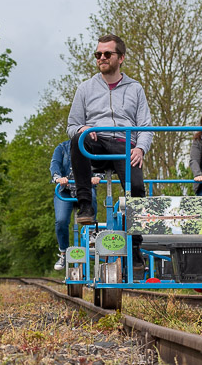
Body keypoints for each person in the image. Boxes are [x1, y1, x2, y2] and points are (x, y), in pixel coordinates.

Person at [65, 34, 153, 224]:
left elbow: (146, 126)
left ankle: (136, 245)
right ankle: (85, 205)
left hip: (125, 144)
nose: (101, 58)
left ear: (120, 58)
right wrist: (83, 128)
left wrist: (140, 148)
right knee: (78, 139)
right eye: (98, 54)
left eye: (107, 54)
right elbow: (72, 126)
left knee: (136, 190)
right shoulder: (85, 88)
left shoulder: (135, 89)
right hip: (97, 141)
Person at [49, 139, 98, 270]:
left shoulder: (93, 146)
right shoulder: (62, 147)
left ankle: (91, 232)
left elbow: (101, 163)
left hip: (85, 188)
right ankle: (64, 252)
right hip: (65, 191)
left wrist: (98, 176)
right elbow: (55, 164)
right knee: (61, 221)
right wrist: (58, 177)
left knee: (92, 196)